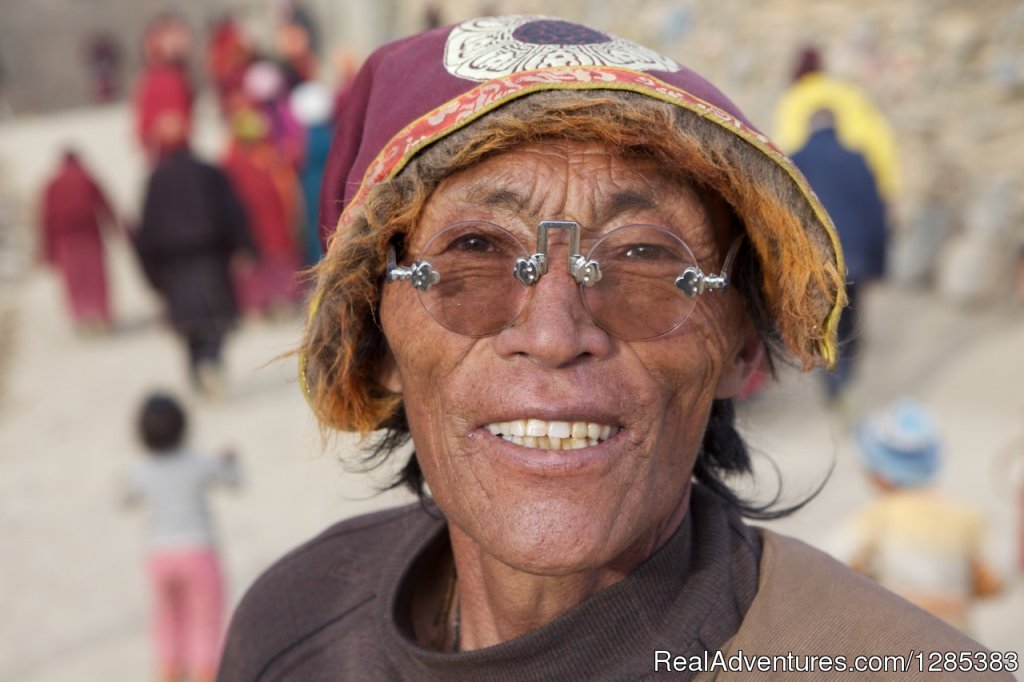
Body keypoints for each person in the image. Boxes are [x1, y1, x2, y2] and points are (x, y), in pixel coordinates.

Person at [219, 16, 1007, 679]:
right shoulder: (298, 626)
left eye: (643, 258)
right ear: (377, 337)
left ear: (740, 348)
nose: (556, 335)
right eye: (475, 251)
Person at [828, 399, 1003, 632]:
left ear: (879, 475)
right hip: (958, 640)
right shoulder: (968, 517)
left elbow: (831, 569)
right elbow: (994, 583)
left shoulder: (876, 518)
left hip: (898, 639)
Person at [125, 392, 241, 682]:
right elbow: (233, 480)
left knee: (167, 622)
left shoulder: (141, 470)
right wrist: (230, 460)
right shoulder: (198, 463)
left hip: (160, 557)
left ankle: (169, 674)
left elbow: (125, 497)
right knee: (206, 623)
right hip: (199, 553)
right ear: (183, 426)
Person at [136, 114, 253, 396]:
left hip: (175, 266)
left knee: (189, 324)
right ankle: (210, 364)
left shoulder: (156, 179)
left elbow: (147, 230)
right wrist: (244, 246)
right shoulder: (208, 171)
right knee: (215, 318)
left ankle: (200, 368)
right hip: (210, 257)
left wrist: (152, 273)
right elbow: (232, 212)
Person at [791, 108, 887, 402]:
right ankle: (845, 378)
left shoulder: (797, 159)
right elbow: (876, 214)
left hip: (815, 259)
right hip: (855, 258)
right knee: (851, 316)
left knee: (822, 319)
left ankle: (832, 380)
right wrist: (879, 264)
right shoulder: (857, 159)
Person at [773, 45, 899, 202]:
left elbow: (789, 144)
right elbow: (876, 140)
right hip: (857, 180)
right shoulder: (846, 92)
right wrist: (885, 188)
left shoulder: (793, 99)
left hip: (812, 186)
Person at [39, 149, 118, 331]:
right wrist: (115, 227)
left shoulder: (52, 184)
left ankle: (82, 316)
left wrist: (47, 248)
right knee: (94, 275)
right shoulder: (87, 178)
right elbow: (104, 203)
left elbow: (46, 218)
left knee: (75, 279)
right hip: (89, 234)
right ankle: (99, 313)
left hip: (64, 239)